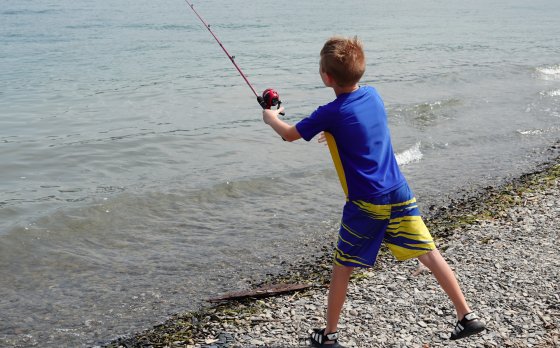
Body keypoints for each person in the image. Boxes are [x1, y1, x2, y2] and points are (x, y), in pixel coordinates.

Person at [262, 36, 485, 347]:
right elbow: (361, 125)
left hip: (367, 202)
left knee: (343, 265)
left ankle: (330, 336)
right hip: (399, 192)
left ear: (326, 77)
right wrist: (335, 134)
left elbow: (289, 135)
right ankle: (466, 315)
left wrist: (271, 115)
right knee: (429, 253)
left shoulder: (329, 112)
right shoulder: (373, 95)